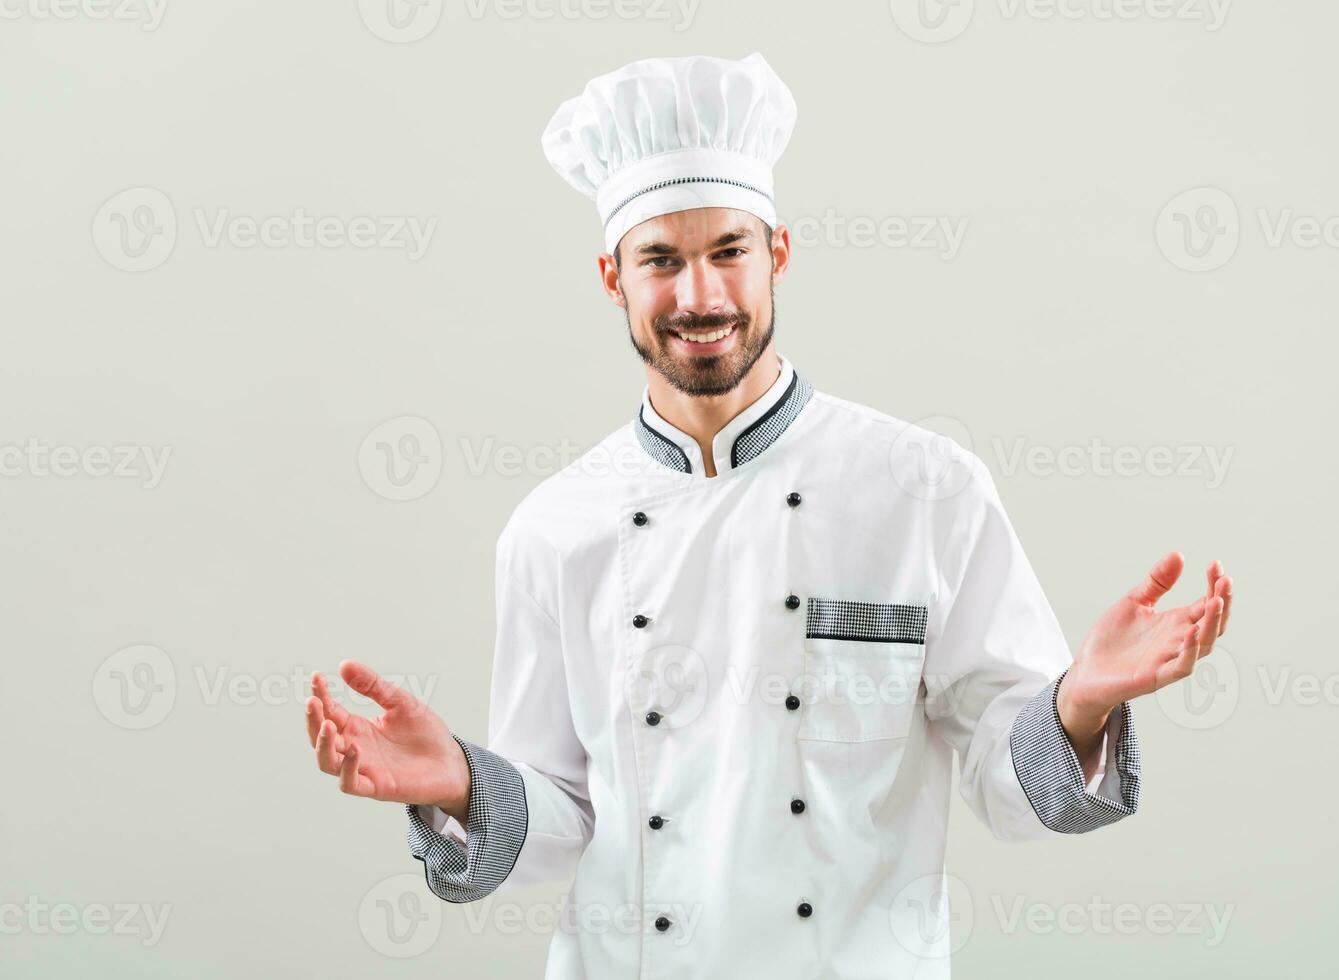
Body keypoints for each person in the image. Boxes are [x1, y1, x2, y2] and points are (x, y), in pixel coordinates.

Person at [304, 51, 1233, 979]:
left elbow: (1008, 785)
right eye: (660, 260)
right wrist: (462, 786)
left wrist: (1081, 700)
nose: (700, 295)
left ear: (778, 253)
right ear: (610, 276)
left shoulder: (923, 487)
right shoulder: (554, 528)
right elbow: (562, 819)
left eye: (729, 251)